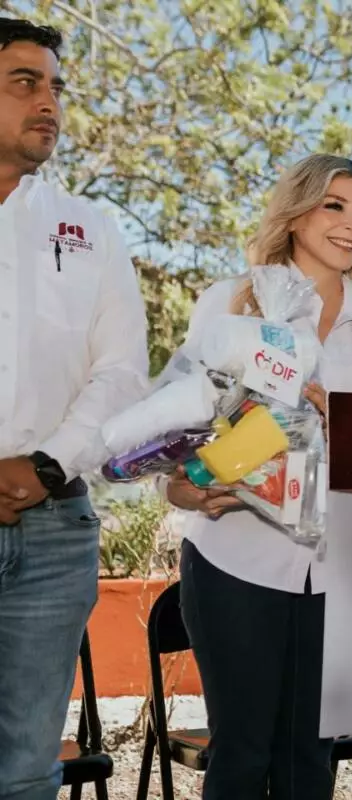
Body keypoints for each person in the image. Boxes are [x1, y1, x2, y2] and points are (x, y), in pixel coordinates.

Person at [164, 154, 352, 799]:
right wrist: (178, 484)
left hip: (336, 571)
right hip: (235, 557)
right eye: (334, 206)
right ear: (295, 214)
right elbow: (179, 414)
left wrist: (351, 424)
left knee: (309, 760)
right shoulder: (234, 299)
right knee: (241, 754)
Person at [0, 18, 150, 800]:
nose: (49, 103)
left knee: (27, 773)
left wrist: (45, 467)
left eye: (56, 86)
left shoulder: (90, 229)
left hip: (55, 533)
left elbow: (122, 372)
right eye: (26, 82)